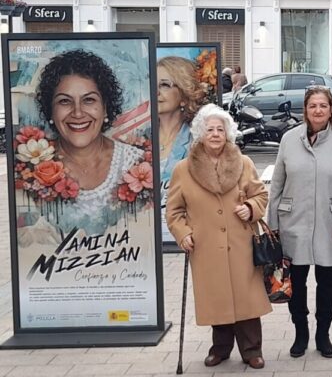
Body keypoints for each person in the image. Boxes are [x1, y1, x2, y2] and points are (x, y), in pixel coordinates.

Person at [166, 104, 271, 369]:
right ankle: (221, 349)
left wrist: (250, 208)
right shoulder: (183, 169)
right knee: (218, 298)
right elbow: (174, 211)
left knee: (246, 298)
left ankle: (252, 350)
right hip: (206, 246)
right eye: (210, 129)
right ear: (201, 134)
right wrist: (183, 234)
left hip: (241, 243)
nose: (215, 134)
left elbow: (261, 195)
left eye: (220, 130)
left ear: (228, 133)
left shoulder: (244, 163)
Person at [17, 49, 148, 242]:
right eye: (64, 101)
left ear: (105, 108)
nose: (77, 113)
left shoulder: (135, 163)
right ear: (50, 111)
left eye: (89, 100)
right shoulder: (29, 170)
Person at [268, 86, 332, 359]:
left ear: (331, 110)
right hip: (293, 221)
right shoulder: (289, 139)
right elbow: (277, 184)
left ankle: (323, 335)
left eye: (323, 106)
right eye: (313, 106)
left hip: (330, 222)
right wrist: (272, 225)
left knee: (328, 280)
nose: (318, 110)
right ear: (305, 110)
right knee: (296, 280)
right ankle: (301, 333)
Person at [157, 57, 207, 241]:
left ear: (184, 96)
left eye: (165, 85)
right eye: (153, 84)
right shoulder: (138, 139)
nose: (156, 91)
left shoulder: (197, 141)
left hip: (186, 233)